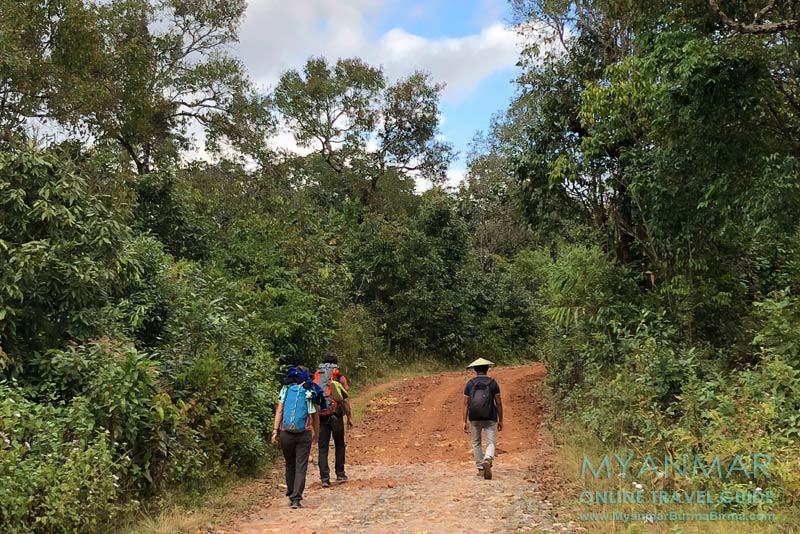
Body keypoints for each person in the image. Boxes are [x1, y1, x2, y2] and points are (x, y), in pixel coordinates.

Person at [272, 366, 321, 509]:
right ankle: (296, 499)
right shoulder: (309, 390)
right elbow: (314, 416)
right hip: (303, 433)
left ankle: (291, 490)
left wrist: (275, 430)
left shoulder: (286, 389)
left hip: (286, 433)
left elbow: (279, 410)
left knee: (289, 464)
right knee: (301, 466)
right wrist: (316, 433)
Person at [314, 352, 353, 487]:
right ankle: (340, 474)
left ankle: (325, 479)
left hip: (321, 416)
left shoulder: (318, 376)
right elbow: (345, 398)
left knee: (323, 447)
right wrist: (349, 417)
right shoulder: (339, 377)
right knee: (339, 444)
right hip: (336, 415)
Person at [462, 357, 503, 480]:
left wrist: (464, 421)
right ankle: (488, 458)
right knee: (491, 442)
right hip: (490, 416)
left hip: (474, 417)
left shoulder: (470, 384)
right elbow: (499, 403)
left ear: (475, 370)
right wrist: (501, 419)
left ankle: (480, 468)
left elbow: (465, 404)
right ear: (487, 369)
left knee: (476, 442)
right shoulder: (493, 383)